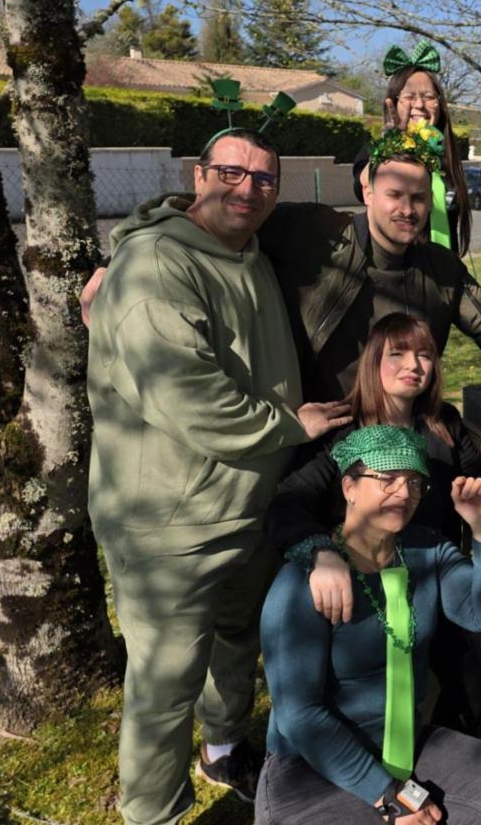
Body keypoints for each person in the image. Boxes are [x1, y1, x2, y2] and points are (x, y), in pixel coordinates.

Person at [86, 128, 353, 824]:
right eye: (231, 173)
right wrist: (292, 424)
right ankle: (154, 812)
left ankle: (224, 748)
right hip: (170, 519)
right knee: (166, 680)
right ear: (196, 175)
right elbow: (188, 397)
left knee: (236, 639)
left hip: (246, 505)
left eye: (265, 179)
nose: (248, 189)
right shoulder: (156, 263)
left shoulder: (249, 252)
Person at [84, 124, 481, 468]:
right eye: (394, 194)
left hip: (404, 430)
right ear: (367, 190)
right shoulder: (314, 233)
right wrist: (116, 258)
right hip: (319, 436)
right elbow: (218, 208)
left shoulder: (441, 269)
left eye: (418, 198)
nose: (406, 209)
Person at [265, 312, 481, 763]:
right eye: (398, 354)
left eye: (426, 355)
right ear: (373, 361)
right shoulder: (344, 430)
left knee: (475, 645)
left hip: (434, 574)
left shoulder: (441, 424)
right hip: (366, 586)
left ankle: (449, 753)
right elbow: (287, 503)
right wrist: (320, 553)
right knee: (467, 642)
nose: (414, 365)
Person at [257, 424, 481, 824]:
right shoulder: (300, 583)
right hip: (312, 766)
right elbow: (298, 715)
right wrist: (386, 795)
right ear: (349, 487)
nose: (404, 492)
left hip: (404, 748)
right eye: (387, 478)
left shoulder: (426, 549)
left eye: (414, 482)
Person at [352, 42, 474, 254]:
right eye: (409, 97)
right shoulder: (376, 151)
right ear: (393, 103)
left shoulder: (446, 156)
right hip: (396, 271)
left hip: (444, 270)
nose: (419, 105)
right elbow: (362, 184)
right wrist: (392, 145)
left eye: (429, 97)